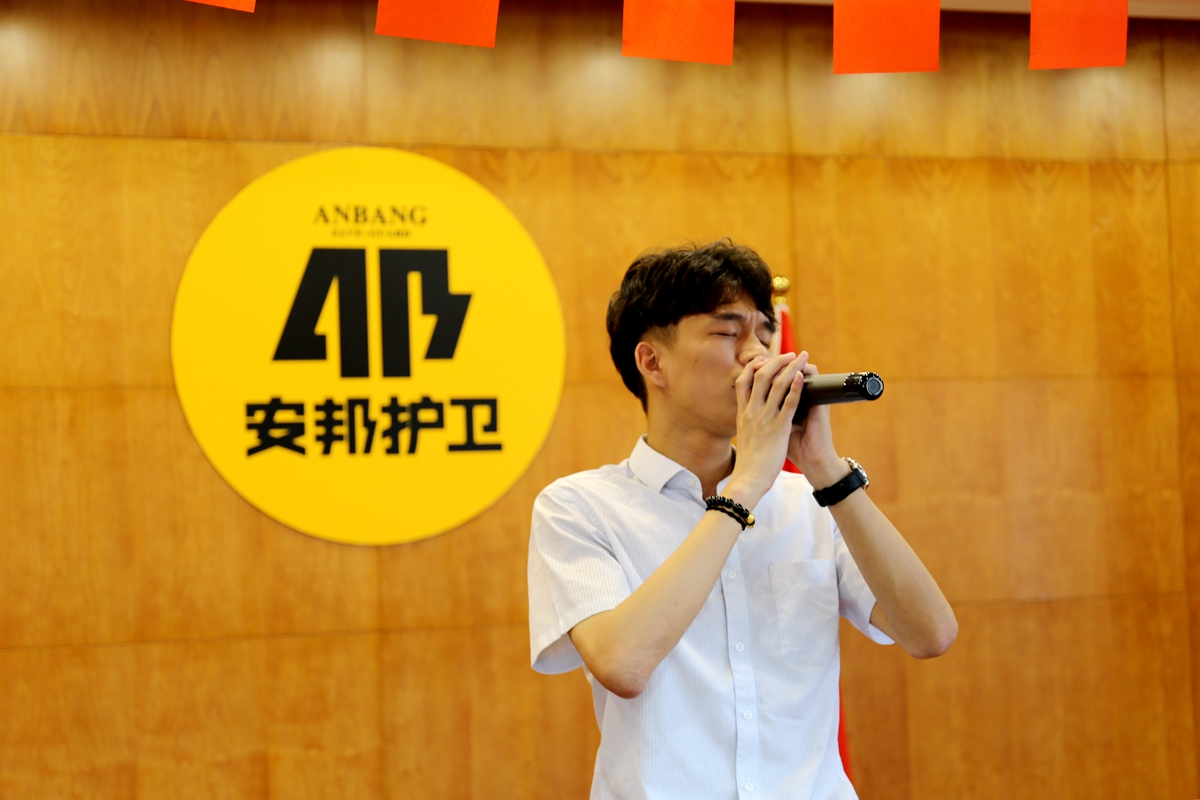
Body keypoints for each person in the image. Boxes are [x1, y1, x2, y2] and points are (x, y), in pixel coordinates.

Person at [527, 240, 957, 800]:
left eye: (764, 334)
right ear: (652, 362)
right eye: (728, 333)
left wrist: (825, 467)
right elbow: (623, 664)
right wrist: (746, 485)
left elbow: (931, 633)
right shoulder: (579, 507)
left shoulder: (810, 500)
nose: (758, 357)